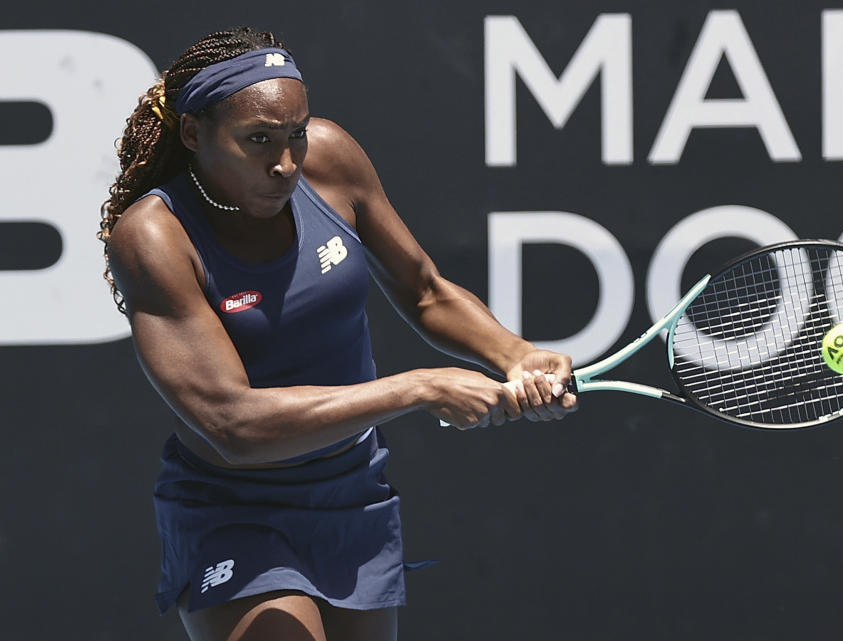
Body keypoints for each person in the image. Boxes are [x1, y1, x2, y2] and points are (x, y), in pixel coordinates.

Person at [98, 27, 577, 641]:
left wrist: (517, 354)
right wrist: (419, 387)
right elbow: (233, 424)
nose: (286, 163)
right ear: (194, 134)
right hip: (233, 508)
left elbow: (425, 290)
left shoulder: (331, 158)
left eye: (295, 133)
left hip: (353, 494)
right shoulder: (153, 237)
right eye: (258, 140)